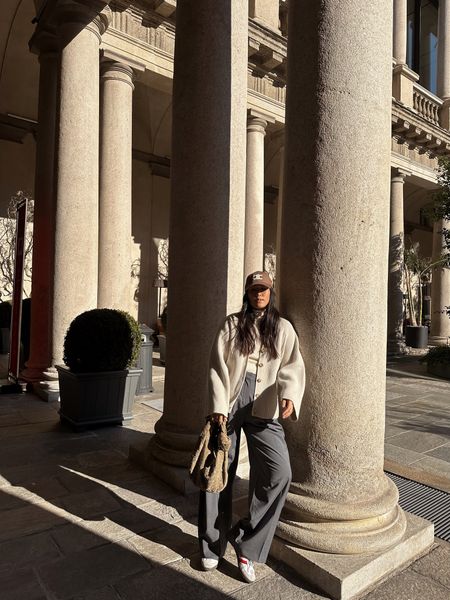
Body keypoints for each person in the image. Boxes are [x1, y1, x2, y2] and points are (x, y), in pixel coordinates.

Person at [198, 270, 305, 583]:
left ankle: (247, 543)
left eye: (264, 289)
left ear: (271, 293)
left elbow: (292, 365)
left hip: (264, 407)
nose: (259, 294)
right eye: (255, 289)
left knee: (279, 473)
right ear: (247, 292)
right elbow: (217, 367)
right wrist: (217, 408)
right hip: (229, 406)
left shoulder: (283, 328)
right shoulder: (231, 324)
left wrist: (289, 394)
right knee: (216, 475)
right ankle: (210, 545)